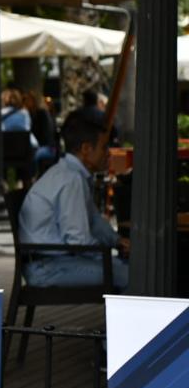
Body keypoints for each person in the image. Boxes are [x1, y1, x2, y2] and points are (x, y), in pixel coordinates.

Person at [18, 112, 128, 291]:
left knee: (129, 270)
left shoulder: (70, 173)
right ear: (85, 149)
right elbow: (78, 241)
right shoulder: (71, 179)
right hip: (48, 268)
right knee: (133, 277)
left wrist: (117, 241)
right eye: (103, 147)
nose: (107, 154)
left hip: (50, 262)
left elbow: (93, 220)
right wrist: (109, 255)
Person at [25, 90, 57, 169]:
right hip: (40, 147)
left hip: (47, 148)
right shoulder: (28, 114)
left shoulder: (41, 114)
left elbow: (47, 136)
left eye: (27, 100)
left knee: (31, 157)